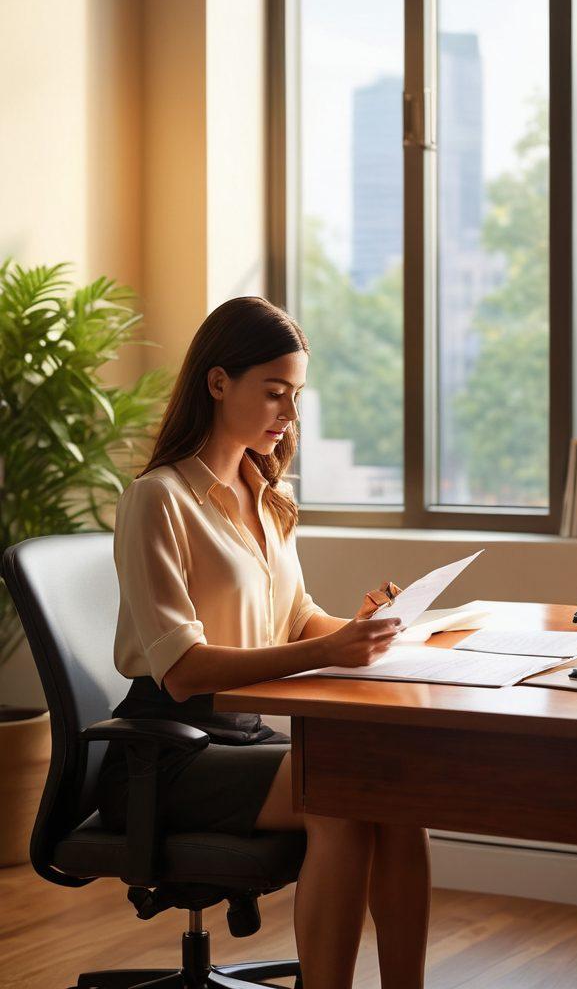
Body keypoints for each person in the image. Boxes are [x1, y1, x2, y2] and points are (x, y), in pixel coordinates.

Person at [95, 296, 431, 989]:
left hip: (244, 740)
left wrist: (364, 629)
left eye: (296, 395)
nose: (289, 413)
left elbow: (298, 616)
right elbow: (183, 671)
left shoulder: (266, 495)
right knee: (342, 798)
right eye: (274, 393)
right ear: (218, 383)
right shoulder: (158, 500)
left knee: (402, 792)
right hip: (166, 756)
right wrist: (326, 653)